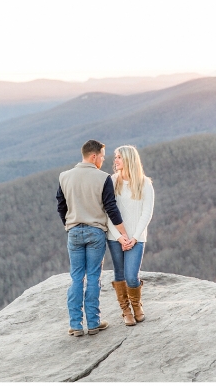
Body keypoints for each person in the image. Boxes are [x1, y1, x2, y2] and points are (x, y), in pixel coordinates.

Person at [56, 139, 130, 337]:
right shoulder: (103, 178)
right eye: (103, 157)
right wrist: (124, 233)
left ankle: (76, 325)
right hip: (95, 232)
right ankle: (94, 322)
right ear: (94, 156)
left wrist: (69, 224)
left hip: (73, 232)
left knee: (76, 277)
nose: (103, 161)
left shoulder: (64, 177)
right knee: (94, 277)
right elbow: (111, 208)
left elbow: (61, 206)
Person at [106, 145, 154, 326]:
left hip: (137, 237)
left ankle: (136, 306)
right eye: (115, 157)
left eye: (119, 157)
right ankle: (125, 310)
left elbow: (147, 213)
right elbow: (107, 212)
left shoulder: (144, 183)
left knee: (131, 276)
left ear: (128, 160)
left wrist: (133, 237)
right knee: (119, 274)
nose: (115, 160)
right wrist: (119, 237)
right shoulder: (112, 180)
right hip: (115, 238)